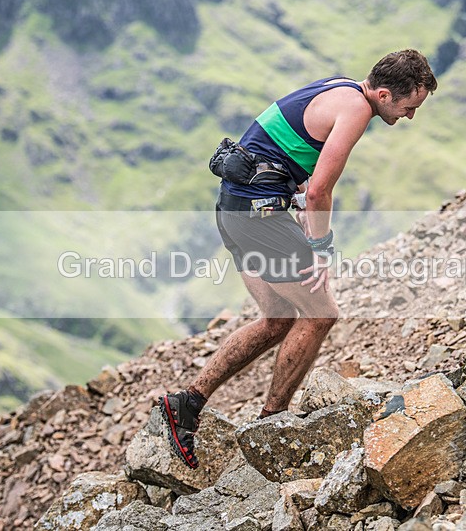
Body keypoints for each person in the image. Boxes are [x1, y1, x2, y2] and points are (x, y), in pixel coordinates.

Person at [160, 49, 438, 469]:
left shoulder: (339, 86)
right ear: (384, 94)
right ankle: (271, 424)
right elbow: (318, 192)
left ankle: (187, 402)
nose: (410, 117)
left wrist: (298, 210)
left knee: (277, 320)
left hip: (233, 209)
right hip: (259, 216)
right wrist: (322, 250)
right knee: (320, 314)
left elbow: (291, 153)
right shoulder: (356, 110)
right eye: (409, 107)